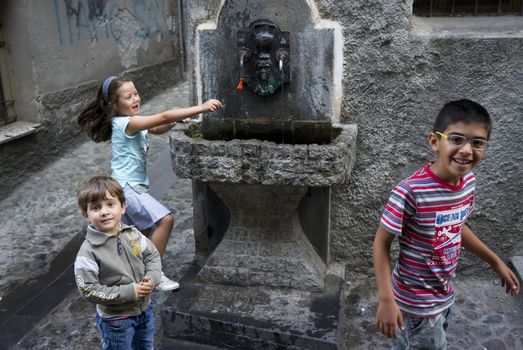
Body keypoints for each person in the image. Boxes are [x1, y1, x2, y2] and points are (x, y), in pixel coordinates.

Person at [372, 99, 520, 349]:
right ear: (434, 141)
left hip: (443, 295)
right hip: (415, 304)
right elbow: (380, 244)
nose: (466, 150)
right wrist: (387, 299)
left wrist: (494, 260)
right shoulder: (410, 192)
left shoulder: (468, 183)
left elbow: (456, 226)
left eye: (477, 143)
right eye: (456, 139)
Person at [78, 76, 222, 291]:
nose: (136, 98)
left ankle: (122, 273)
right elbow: (163, 115)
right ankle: (154, 273)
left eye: (135, 93)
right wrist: (200, 108)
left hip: (126, 187)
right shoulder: (127, 123)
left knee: (136, 236)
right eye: (128, 97)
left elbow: (157, 127)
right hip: (127, 188)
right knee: (165, 220)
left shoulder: (132, 122)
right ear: (115, 105)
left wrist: (174, 123)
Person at [74, 175, 162, 350]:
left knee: (145, 346)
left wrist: (152, 278)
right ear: (86, 215)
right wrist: (130, 292)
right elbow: (88, 289)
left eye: (110, 204)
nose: (104, 211)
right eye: (96, 208)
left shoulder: (133, 235)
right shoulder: (88, 253)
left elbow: (152, 256)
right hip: (116, 320)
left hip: (144, 310)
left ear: (123, 207)